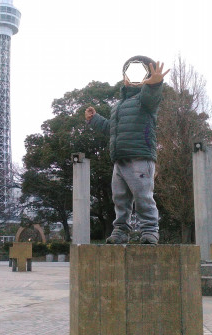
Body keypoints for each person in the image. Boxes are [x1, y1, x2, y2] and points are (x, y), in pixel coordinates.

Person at [85, 55, 169, 244]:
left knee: (143, 197)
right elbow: (112, 129)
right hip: (119, 158)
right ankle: (121, 231)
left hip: (140, 157)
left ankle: (149, 230)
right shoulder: (117, 106)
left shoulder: (144, 100)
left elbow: (152, 97)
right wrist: (95, 120)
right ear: (125, 77)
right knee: (120, 199)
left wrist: (155, 84)